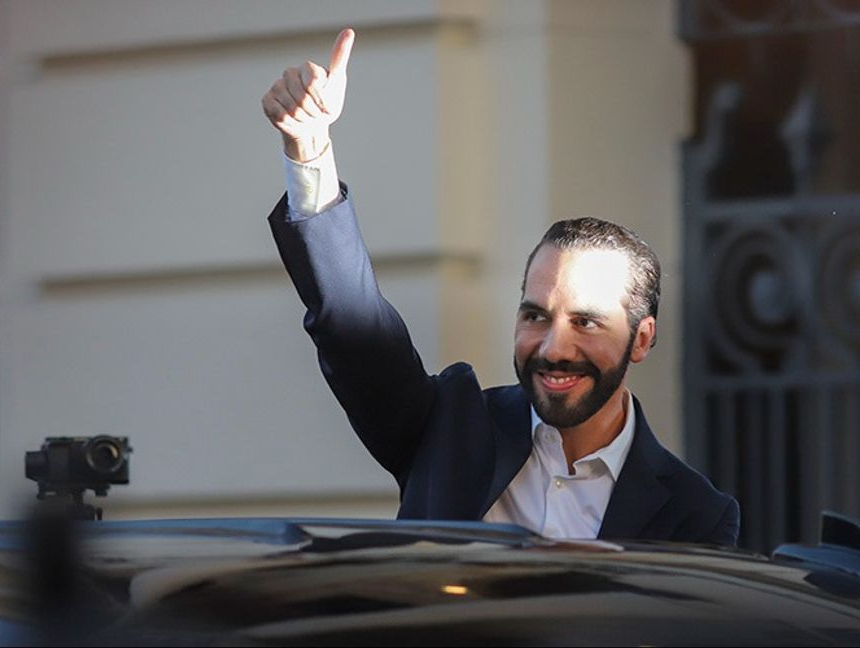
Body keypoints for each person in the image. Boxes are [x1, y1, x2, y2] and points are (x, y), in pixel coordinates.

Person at [262, 29, 739, 544]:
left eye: (586, 321)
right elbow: (355, 328)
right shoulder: (449, 426)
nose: (554, 348)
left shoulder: (696, 514)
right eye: (536, 315)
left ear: (641, 338)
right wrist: (310, 152)